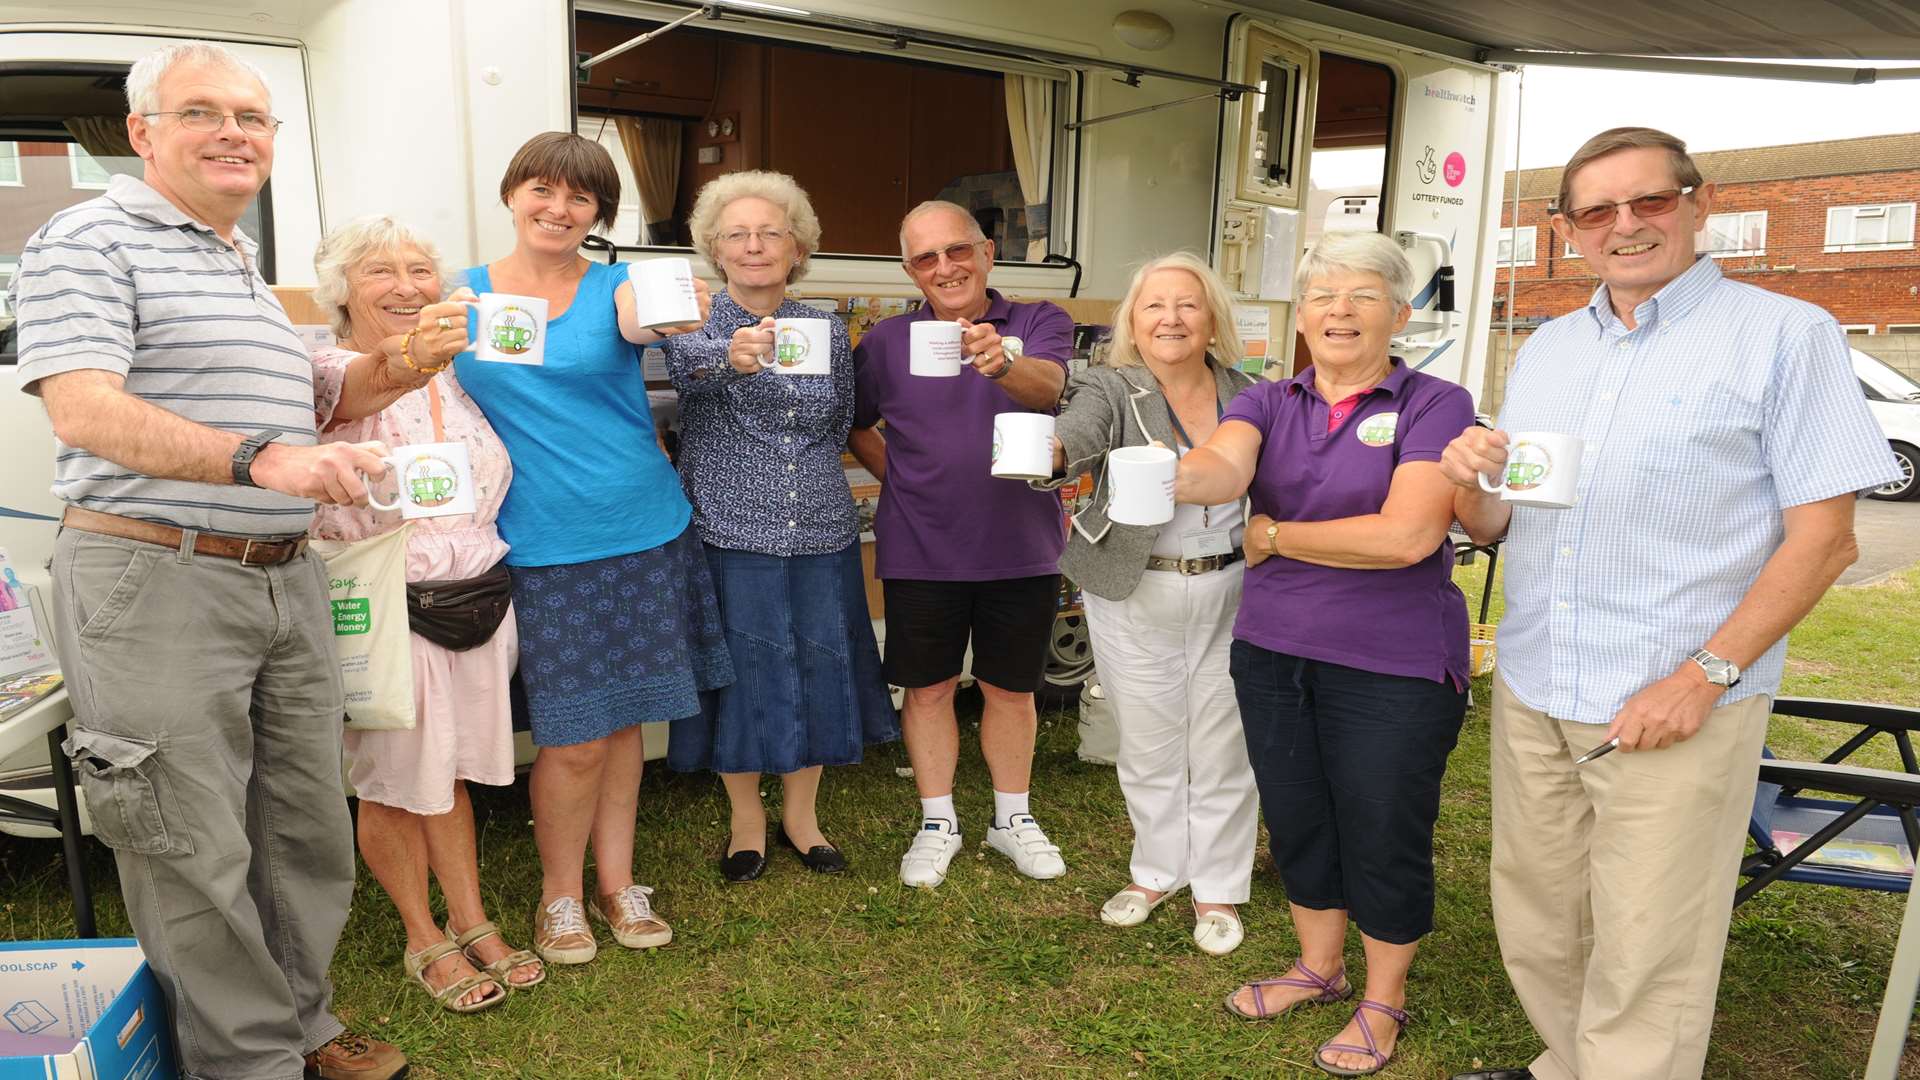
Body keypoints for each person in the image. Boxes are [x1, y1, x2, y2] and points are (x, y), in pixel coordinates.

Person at [1439, 128, 1901, 1080]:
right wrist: (1474, 482)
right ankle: (1570, 1063)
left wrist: (1706, 675)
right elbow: (1501, 528)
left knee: (1652, 941)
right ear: (1568, 232)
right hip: (1536, 681)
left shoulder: (1786, 333)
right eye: (1598, 211)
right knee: (1541, 911)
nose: (1627, 226)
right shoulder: (1551, 349)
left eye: (1649, 200)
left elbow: (1826, 540)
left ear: (1699, 202)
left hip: (1673, 697)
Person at [14, 41, 406, 1079]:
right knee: (188, 842)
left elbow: (309, 406)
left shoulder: (231, 254)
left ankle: (301, 1028)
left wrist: (397, 370)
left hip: (280, 576)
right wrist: (261, 459)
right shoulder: (89, 237)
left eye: (253, 116)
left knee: (303, 826)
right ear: (142, 134)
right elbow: (86, 408)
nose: (235, 132)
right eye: (203, 113)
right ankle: (247, 1061)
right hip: (158, 576)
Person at [1176, 231, 1475, 1076]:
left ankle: (1384, 998)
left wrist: (1274, 534)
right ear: (1300, 314)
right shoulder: (1269, 402)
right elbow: (1222, 467)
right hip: (1273, 649)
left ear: (1399, 313)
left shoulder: (1435, 403)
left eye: (1361, 296)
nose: (1338, 311)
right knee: (1300, 812)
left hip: (1396, 661)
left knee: (1381, 823)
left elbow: (1408, 536)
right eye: (1321, 297)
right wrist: (1164, 475)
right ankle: (1319, 966)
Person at [452, 131, 726, 967]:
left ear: (599, 215)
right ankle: (559, 897)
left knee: (622, 728)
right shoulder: (461, 296)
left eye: (580, 199)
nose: (558, 209)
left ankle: (618, 883)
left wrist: (688, 304)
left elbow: (651, 315)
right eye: (542, 189)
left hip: (644, 527)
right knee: (571, 737)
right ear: (511, 194)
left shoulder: (616, 288)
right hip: (538, 542)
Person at [306, 215, 544, 1012]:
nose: (406, 287)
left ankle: (472, 920)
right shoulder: (325, 370)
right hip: (386, 603)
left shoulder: (455, 373)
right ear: (342, 290)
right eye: (380, 272)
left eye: (419, 271)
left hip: (477, 595)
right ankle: (422, 936)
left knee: (453, 769)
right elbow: (332, 430)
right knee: (392, 780)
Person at [661, 170, 897, 882]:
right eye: (738, 234)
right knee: (744, 676)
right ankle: (746, 823)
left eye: (771, 232)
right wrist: (733, 359)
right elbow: (690, 374)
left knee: (822, 666)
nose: (755, 245)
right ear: (715, 247)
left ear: (797, 246)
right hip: (731, 528)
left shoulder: (825, 326)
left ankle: (803, 818)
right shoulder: (692, 323)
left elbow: (838, 424)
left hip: (822, 525)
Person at [848, 200, 1073, 889]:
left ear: (986, 254)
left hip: (1022, 542)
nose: (944, 267)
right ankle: (938, 820)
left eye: (957, 251)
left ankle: (1012, 819)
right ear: (910, 270)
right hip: (922, 547)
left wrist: (998, 360)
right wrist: (904, 481)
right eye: (926, 257)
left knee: (1011, 690)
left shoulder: (1039, 322)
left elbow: (1053, 389)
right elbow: (856, 425)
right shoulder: (884, 343)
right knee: (929, 688)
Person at [1038, 252, 1258, 954]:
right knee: (1149, 739)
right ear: (1133, 320)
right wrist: (1045, 453)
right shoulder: (1111, 385)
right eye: (1154, 305)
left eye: (1187, 304)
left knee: (1225, 742)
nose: (1171, 318)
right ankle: (1157, 871)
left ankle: (1218, 885)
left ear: (1212, 318)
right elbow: (1076, 434)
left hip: (1232, 586)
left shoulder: (1250, 391)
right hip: (1133, 586)